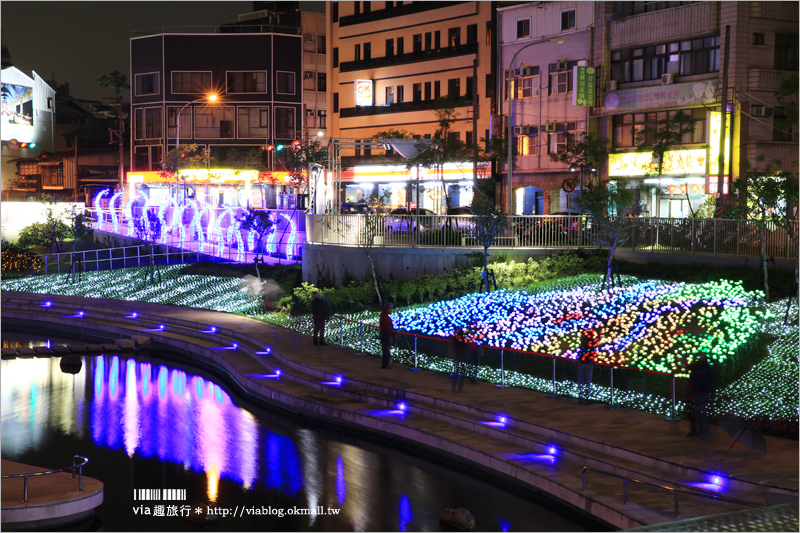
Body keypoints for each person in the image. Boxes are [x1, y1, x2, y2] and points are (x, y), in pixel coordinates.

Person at [685, 354, 717, 440]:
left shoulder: (701, 368)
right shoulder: (704, 367)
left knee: (701, 414)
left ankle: (704, 434)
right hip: (702, 392)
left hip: (701, 392)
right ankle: (703, 433)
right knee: (701, 414)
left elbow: (697, 380)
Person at [576, 325, 601, 404]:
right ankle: (587, 398)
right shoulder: (593, 343)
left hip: (581, 363)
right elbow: (599, 338)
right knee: (588, 382)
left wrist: (584, 330)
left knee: (580, 380)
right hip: (589, 364)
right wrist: (600, 330)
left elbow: (581, 335)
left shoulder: (583, 341)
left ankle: (580, 397)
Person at [450, 328, 470, 393]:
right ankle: (460, 389)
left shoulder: (455, 338)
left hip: (457, 356)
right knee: (462, 373)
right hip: (464, 356)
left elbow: (454, 346)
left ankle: (453, 388)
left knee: (456, 373)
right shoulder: (465, 338)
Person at [379, 302, 395, 369]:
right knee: (386, 350)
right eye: (391, 308)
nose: (391, 310)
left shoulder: (383, 315)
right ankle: (385, 364)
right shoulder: (385, 317)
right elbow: (387, 327)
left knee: (385, 350)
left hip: (384, 335)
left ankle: (385, 364)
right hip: (386, 336)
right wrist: (390, 336)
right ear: (388, 309)